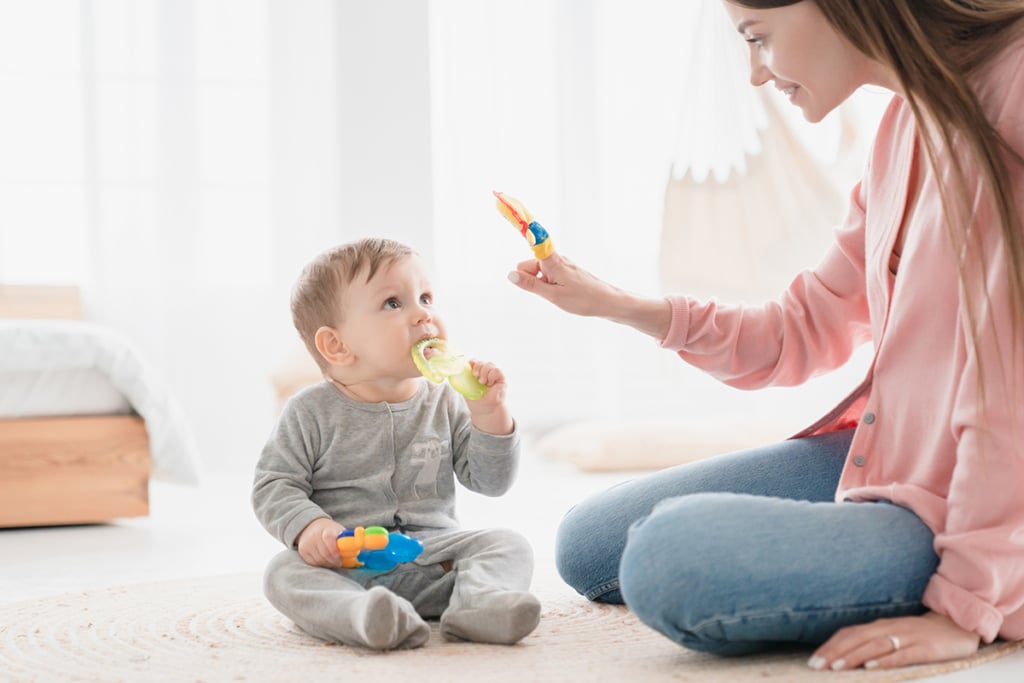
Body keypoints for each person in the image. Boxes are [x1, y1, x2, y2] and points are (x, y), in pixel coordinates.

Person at [507, 0, 1024, 672]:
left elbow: (1010, 385)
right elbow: (802, 328)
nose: (755, 72)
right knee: (590, 540)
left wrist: (969, 604)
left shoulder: (1009, 89)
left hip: (999, 488)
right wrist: (619, 305)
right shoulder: (905, 126)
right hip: (912, 460)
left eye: (759, 38)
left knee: (672, 559)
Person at [253, 237, 540, 650]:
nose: (423, 313)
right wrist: (311, 529)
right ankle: (365, 616)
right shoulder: (309, 411)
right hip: (347, 561)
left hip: (435, 558)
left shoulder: (444, 400)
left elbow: (491, 482)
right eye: (393, 303)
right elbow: (273, 485)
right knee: (282, 573)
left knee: (508, 543)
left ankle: (479, 606)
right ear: (337, 345)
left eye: (426, 297)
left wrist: (489, 414)